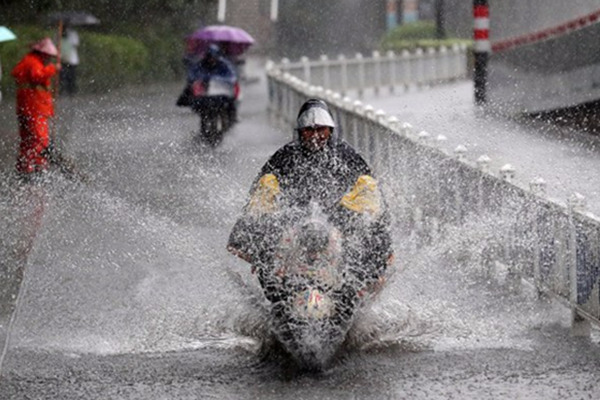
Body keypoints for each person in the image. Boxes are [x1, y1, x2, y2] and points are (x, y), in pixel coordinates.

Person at [227, 99, 394, 301]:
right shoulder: (284, 157)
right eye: (309, 130)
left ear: (330, 130)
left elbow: (371, 195)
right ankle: (276, 298)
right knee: (265, 250)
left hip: (339, 223)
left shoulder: (347, 157)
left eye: (321, 130)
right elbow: (259, 198)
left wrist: (380, 239)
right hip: (292, 224)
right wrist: (253, 241)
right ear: (300, 131)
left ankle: (355, 293)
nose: (315, 136)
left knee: (370, 248)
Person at [11, 37, 61, 176]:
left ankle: (25, 166)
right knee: (40, 138)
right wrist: (53, 69)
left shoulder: (28, 60)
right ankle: (37, 165)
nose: (49, 59)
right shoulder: (33, 62)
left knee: (27, 138)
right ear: (42, 53)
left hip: (27, 106)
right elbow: (37, 76)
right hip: (35, 107)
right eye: (48, 56)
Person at [177, 44, 238, 122]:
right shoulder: (200, 64)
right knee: (189, 91)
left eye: (213, 57)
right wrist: (203, 79)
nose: (211, 59)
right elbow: (192, 75)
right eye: (209, 56)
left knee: (231, 99)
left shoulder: (224, 64)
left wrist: (217, 79)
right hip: (204, 93)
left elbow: (232, 76)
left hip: (221, 91)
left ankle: (232, 116)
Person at [59, 26, 80, 96]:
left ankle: (71, 91)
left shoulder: (73, 33)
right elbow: (56, 43)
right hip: (61, 59)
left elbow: (76, 44)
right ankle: (62, 90)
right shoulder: (58, 33)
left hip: (72, 59)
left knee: (71, 76)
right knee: (62, 76)